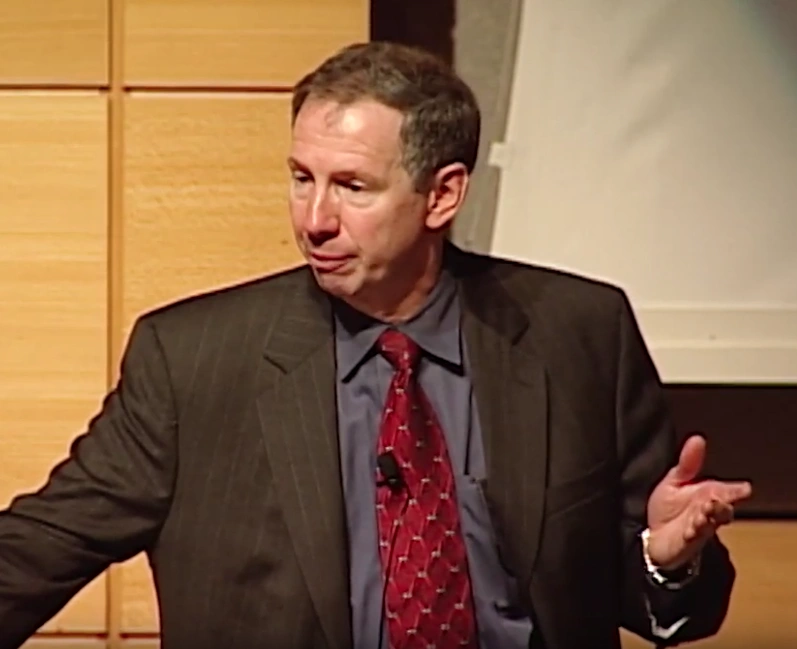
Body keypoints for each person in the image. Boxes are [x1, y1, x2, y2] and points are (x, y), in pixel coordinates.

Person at [0, 41, 751, 649]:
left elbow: (663, 601)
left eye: (352, 187)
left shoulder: (579, 333)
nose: (314, 219)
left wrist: (665, 557)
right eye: (301, 178)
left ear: (442, 194)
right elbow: (42, 545)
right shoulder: (193, 358)